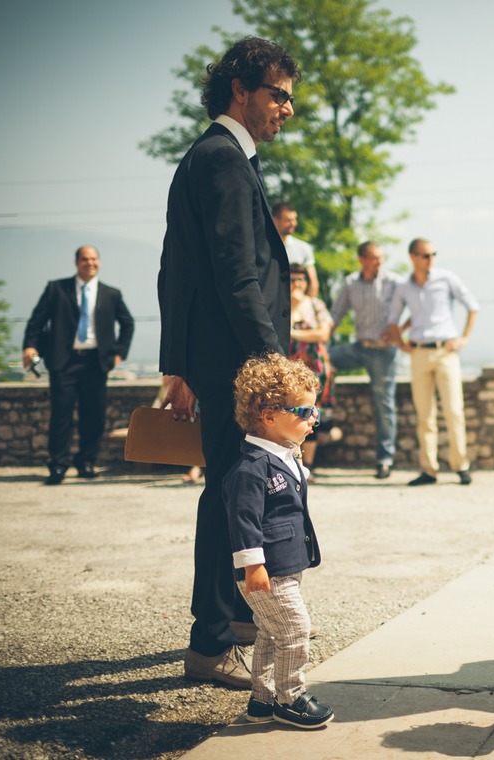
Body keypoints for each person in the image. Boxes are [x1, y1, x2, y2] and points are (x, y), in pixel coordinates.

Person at [157, 36, 299, 688]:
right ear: (241, 89)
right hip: (237, 365)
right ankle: (210, 642)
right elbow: (236, 275)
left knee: (237, 494)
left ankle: (236, 622)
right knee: (228, 499)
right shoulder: (221, 159)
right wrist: (275, 366)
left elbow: (175, 272)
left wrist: (177, 364)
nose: (287, 109)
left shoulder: (216, 157)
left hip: (220, 362)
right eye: (279, 95)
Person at [224, 353, 333, 729]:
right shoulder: (251, 469)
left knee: (271, 633)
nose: (313, 418)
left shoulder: (283, 456)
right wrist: (253, 565)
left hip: (285, 565)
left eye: (314, 411)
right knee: (295, 629)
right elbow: (244, 521)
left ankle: (263, 698)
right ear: (269, 416)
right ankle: (291, 697)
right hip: (265, 570)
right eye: (303, 412)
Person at [22, 245, 134, 485]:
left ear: (99, 262)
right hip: (64, 362)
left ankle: (86, 463)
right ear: (77, 262)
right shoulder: (56, 289)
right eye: (85, 259)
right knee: (61, 415)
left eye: (93, 259)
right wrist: (30, 346)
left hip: (96, 362)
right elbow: (37, 321)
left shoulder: (111, 294)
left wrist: (118, 354)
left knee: (93, 416)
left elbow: (128, 324)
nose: (89, 263)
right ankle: (58, 466)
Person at [388, 238, 479, 486]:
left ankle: (461, 466)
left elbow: (472, 306)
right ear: (413, 257)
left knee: (454, 411)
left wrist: (464, 338)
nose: (431, 260)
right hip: (419, 353)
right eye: (426, 255)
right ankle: (429, 469)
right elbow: (393, 319)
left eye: (433, 254)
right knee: (424, 415)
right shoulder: (403, 286)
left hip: (445, 351)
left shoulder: (446, 279)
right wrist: (400, 344)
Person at [329, 240, 400, 479]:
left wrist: (400, 331)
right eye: (374, 258)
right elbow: (336, 313)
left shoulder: (393, 282)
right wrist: (319, 345)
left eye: (381, 257)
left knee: (384, 404)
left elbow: (413, 307)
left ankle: (384, 460)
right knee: (320, 362)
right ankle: (322, 422)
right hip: (359, 348)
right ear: (362, 260)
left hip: (384, 351)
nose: (379, 262)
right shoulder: (351, 283)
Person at [288, 263, 342, 470]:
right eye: (292, 280)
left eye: (300, 279)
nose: (296, 284)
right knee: (290, 414)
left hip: (315, 369)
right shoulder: (281, 304)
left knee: (311, 415)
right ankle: (292, 464)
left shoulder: (315, 305)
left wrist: (294, 333)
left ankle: (307, 466)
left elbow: (323, 334)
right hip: (289, 369)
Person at [272, 202, 319, 298]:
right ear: (275, 220)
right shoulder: (263, 248)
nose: (293, 223)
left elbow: (313, 283)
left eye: (294, 219)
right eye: (288, 220)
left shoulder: (303, 248)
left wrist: (307, 304)